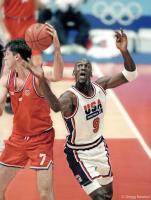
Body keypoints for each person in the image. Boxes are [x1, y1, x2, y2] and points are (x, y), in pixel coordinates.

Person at [28, 30, 137, 200]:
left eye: (86, 66)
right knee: (99, 196)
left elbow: (130, 74)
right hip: (79, 154)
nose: (82, 68)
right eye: (79, 67)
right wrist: (42, 80)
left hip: (100, 148)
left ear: (91, 73)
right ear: (74, 74)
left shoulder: (101, 85)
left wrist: (124, 50)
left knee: (108, 195)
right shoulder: (70, 97)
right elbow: (56, 107)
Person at [0, 23, 63, 200]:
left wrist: (57, 48)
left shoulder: (38, 74)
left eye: (6, 55)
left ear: (17, 57)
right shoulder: (6, 79)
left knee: (45, 194)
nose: (4, 59)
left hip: (41, 139)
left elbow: (57, 75)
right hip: (17, 140)